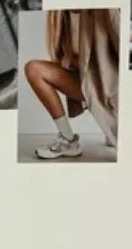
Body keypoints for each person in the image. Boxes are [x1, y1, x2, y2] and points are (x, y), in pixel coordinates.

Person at [24, 9, 120, 160]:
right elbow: (69, 60)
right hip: (87, 85)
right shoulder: (61, 16)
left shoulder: (105, 10)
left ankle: (115, 124)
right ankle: (68, 140)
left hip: (112, 86)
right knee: (33, 69)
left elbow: (125, 49)